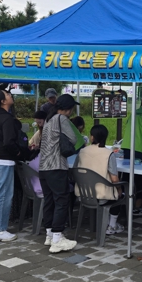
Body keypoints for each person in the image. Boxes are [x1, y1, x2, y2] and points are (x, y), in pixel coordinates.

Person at [0, 90, 27, 242]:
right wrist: (18, 153)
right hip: (3, 160)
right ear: (3, 101)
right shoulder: (7, 118)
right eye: (7, 95)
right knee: (2, 195)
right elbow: (8, 142)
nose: (10, 95)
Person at [39, 93, 79, 253]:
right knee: (62, 200)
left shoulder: (49, 119)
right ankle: (57, 238)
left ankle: (49, 234)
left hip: (44, 167)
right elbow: (74, 139)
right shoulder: (62, 119)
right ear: (69, 108)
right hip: (56, 165)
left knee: (49, 200)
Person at [75, 125, 125, 235]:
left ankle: (106, 223)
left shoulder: (82, 151)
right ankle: (112, 225)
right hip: (102, 196)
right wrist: (119, 189)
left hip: (83, 194)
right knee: (120, 193)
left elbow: (75, 170)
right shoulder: (109, 154)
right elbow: (114, 178)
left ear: (92, 137)